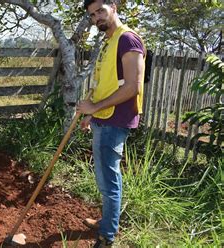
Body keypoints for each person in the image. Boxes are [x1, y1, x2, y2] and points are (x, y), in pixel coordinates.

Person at [77, 1, 146, 247]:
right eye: (92, 15)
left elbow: (132, 86)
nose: (97, 17)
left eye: (100, 11)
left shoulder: (128, 40)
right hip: (103, 117)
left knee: (109, 180)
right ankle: (107, 221)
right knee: (104, 177)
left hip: (115, 119)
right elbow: (107, 82)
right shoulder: (109, 40)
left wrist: (95, 108)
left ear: (114, 7)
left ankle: (107, 235)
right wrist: (91, 114)